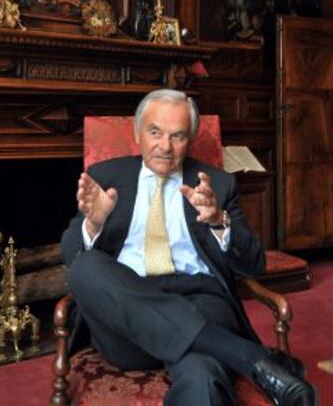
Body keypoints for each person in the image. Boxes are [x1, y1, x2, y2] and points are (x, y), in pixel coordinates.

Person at [61, 89, 316, 406]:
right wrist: (94, 224)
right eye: (155, 133)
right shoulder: (105, 177)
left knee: (203, 374)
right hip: (126, 319)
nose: (165, 147)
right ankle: (253, 358)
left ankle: (233, 354)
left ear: (191, 139)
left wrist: (219, 221)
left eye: (177, 136)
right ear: (138, 133)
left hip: (201, 302)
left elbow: (254, 265)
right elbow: (70, 256)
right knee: (87, 267)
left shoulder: (217, 184)